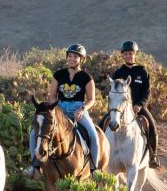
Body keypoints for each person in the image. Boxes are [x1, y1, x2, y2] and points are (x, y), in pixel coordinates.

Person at [24, 44, 101, 176]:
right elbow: (53, 96)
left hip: (78, 110)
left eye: (76, 56)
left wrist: (82, 109)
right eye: (70, 56)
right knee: (33, 134)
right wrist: (55, 110)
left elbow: (91, 99)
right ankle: (35, 167)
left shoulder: (86, 77)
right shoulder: (58, 75)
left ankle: (94, 169)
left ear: (81, 59)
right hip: (60, 109)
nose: (72, 59)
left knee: (93, 136)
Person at [106, 40, 159, 167]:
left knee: (152, 127)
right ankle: (101, 155)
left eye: (131, 53)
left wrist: (139, 105)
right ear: (122, 55)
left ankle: (153, 156)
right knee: (102, 124)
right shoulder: (118, 72)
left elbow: (147, 91)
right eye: (126, 54)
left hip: (137, 107)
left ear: (135, 54)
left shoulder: (142, 71)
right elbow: (113, 90)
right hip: (120, 108)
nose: (129, 56)